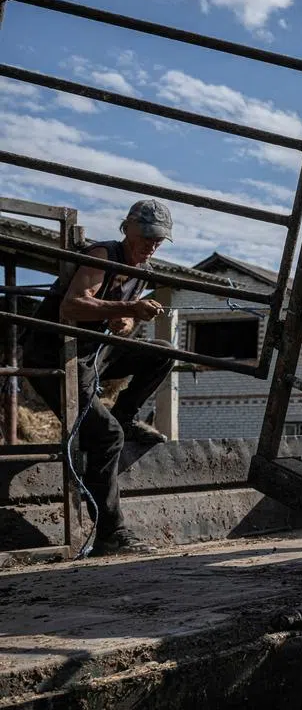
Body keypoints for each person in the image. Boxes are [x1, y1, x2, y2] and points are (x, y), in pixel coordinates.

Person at [20, 199, 177, 557]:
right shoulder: (103, 255)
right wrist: (125, 309)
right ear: (128, 229)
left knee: (163, 350)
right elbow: (71, 306)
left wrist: (127, 321)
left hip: (94, 353)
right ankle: (110, 533)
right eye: (147, 237)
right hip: (55, 356)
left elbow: (121, 320)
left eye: (158, 240)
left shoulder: (142, 270)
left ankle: (125, 414)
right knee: (105, 436)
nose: (151, 245)